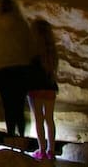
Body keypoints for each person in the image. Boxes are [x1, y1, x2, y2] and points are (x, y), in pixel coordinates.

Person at [0, 0, 38, 141]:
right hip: (21, 69)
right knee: (19, 103)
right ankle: (22, 136)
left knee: (7, 104)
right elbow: (31, 47)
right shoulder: (22, 24)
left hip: (2, 70)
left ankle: (11, 135)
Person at [28, 19, 62, 160]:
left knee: (38, 120)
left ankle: (41, 150)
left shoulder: (32, 49)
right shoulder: (52, 50)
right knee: (49, 119)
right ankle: (51, 150)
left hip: (35, 88)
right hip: (50, 87)